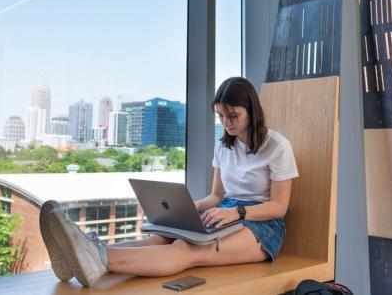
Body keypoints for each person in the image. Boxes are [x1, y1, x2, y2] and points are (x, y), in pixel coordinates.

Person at [39, 76, 299, 287]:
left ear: (252, 111)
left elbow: (279, 206)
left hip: (262, 226)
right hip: (224, 212)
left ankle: (97, 257)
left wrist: (236, 212)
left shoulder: (277, 146)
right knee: (163, 237)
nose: (226, 123)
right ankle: (86, 252)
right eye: (220, 116)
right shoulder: (224, 146)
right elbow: (216, 197)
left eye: (233, 116)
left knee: (188, 249)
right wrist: (182, 209)